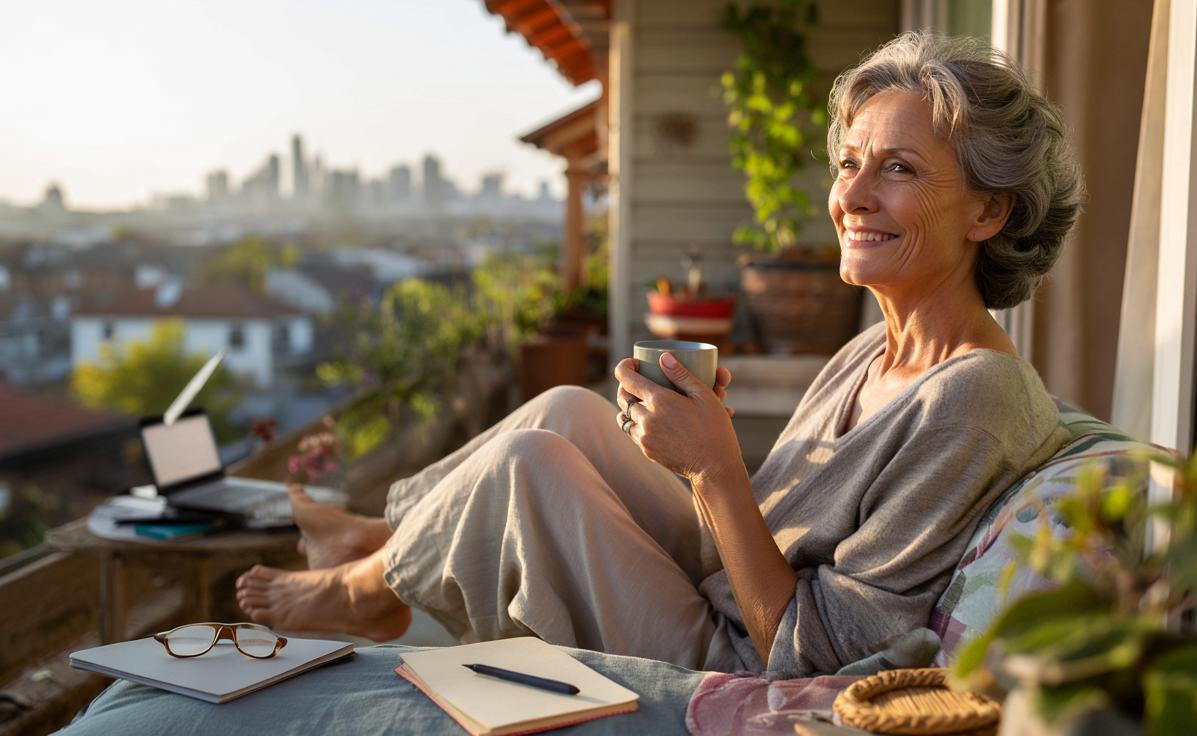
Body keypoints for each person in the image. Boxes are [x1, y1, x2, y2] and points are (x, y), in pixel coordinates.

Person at [235, 31, 1082, 677]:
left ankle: (363, 590)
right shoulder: (870, 353)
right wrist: (694, 449)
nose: (851, 195)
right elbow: (763, 539)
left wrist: (712, 468)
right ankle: (384, 542)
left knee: (536, 464)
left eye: (896, 169)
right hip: (727, 598)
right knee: (571, 410)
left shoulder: (975, 396)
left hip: (734, 665)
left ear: (988, 213)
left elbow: (818, 655)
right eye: (850, 163)